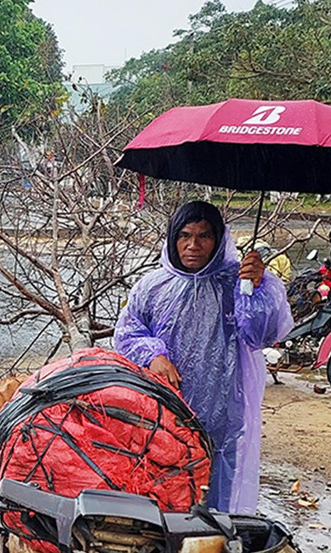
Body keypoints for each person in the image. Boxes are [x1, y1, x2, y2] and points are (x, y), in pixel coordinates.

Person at [114, 200, 293, 513]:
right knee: (163, 479)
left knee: (217, 488)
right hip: (163, 407)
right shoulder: (152, 287)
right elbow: (126, 335)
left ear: (218, 240)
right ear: (173, 239)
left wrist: (258, 288)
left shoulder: (236, 282)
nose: (193, 245)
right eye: (185, 236)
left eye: (204, 236)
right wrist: (154, 354)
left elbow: (262, 334)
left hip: (222, 410)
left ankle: (215, 536)